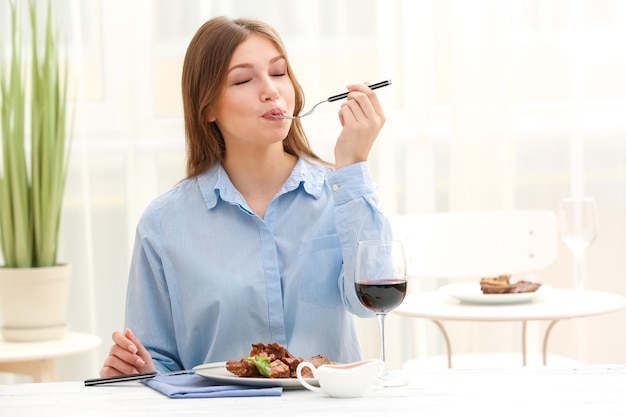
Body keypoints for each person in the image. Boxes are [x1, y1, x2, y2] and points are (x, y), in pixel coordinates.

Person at [100, 16, 391, 377]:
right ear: (207, 107)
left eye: (279, 73)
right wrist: (139, 370)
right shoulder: (163, 224)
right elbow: (158, 358)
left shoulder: (340, 194)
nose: (271, 90)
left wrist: (353, 165)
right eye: (243, 79)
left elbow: (374, 300)